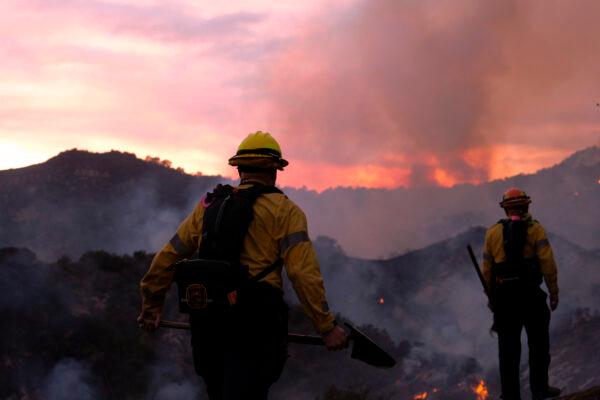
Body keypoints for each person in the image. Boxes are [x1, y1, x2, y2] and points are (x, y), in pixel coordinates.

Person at [137, 131, 348, 399]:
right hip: (257, 325)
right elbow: (302, 274)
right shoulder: (286, 212)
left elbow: (167, 257)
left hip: (207, 325)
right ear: (275, 169)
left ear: (238, 168)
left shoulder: (209, 206)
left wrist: (151, 306)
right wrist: (326, 327)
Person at [482, 188, 561, 400]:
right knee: (539, 346)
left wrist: (492, 298)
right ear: (527, 206)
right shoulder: (535, 229)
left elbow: (487, 270)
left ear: (505, 209)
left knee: (508, 351)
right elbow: (547, 263)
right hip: (531, 296)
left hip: (505, 300)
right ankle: (540, 390)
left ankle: (510, 395)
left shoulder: (492, 233)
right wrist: (553, 291)